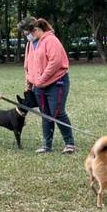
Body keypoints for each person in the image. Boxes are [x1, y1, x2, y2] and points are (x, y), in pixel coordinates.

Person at [18, 16, 76, 155]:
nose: (27, 37)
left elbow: (55, 63)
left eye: (27, 33)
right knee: (45, 114)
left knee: (58, 112)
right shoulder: (30, 44)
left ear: (36, 30)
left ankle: (70, 144)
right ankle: (46, 145)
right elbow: (28, 65)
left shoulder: (51, 40)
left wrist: (41, 79)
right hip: (38, 86)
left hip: (57, 83)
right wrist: (29, 83)